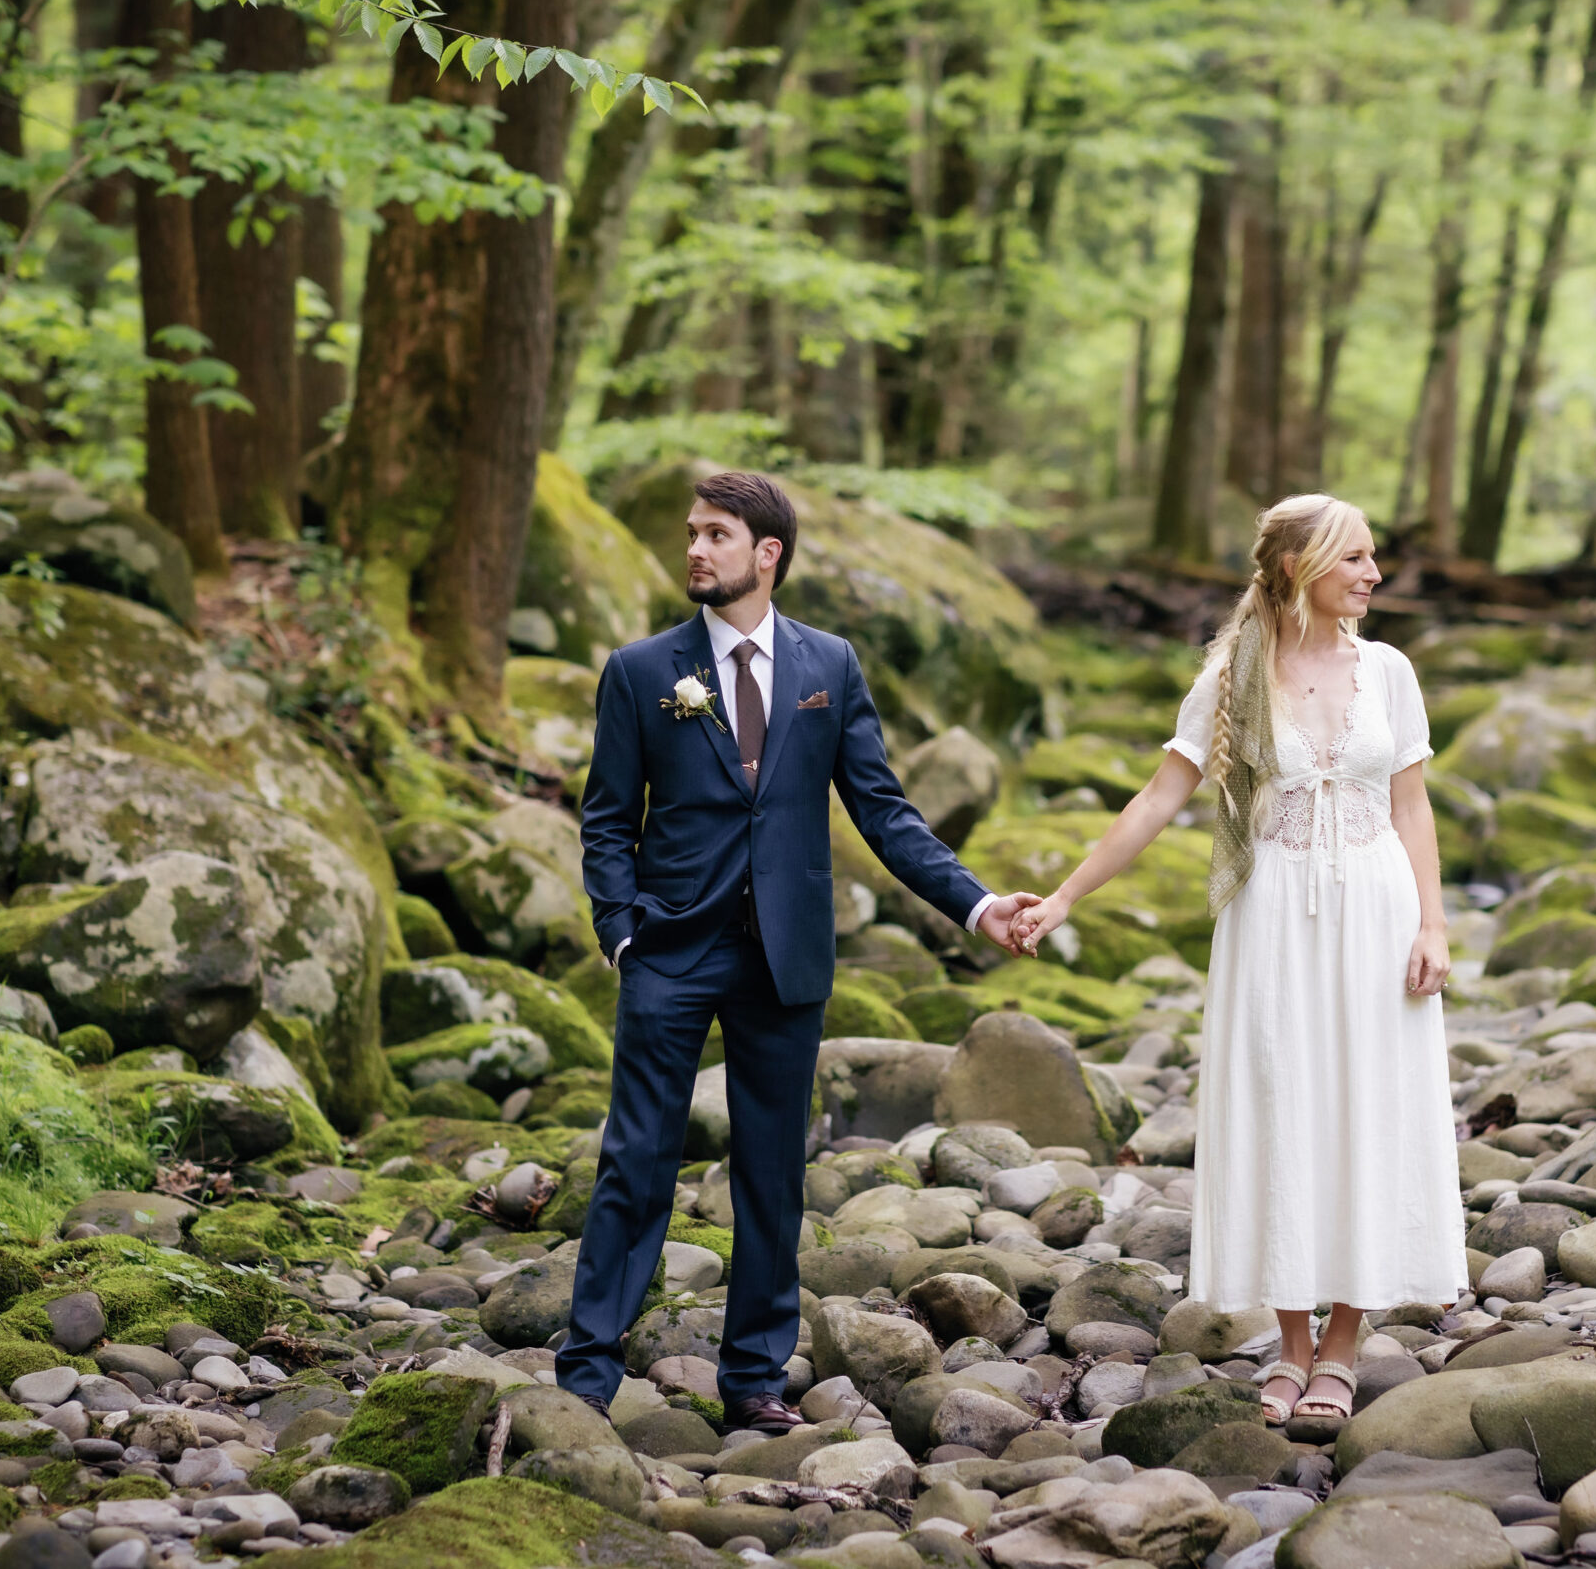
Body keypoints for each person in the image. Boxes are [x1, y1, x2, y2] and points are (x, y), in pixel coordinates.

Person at [564, 470, 1042, 1430]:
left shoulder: (831, 664)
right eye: (691, 533)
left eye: (716, 534)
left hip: (785, 955)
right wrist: (618, 930)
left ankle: (752, 1377)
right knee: (637, 1158)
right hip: (667, 950)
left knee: (773, 1169)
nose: (695, 549)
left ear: (766, 554)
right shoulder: (642, 670)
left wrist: (978, 903)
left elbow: (884, 811)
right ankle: (587, 1369)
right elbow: (608, 818)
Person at [1012, 493, 1464, 1427]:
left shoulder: (1389, 671)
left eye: (1374, 558)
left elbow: (1412, 805)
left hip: (1377, 912)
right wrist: (1063, 896)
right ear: (1301, 567)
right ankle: (1292, 1344)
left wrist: (1433, 924)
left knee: (1366, 1106)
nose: (1375, 576)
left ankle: (1347, 1340)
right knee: (1285, 1107)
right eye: (1356, 560)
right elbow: (1156, 797)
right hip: (1274, 920)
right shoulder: (1233, 676)